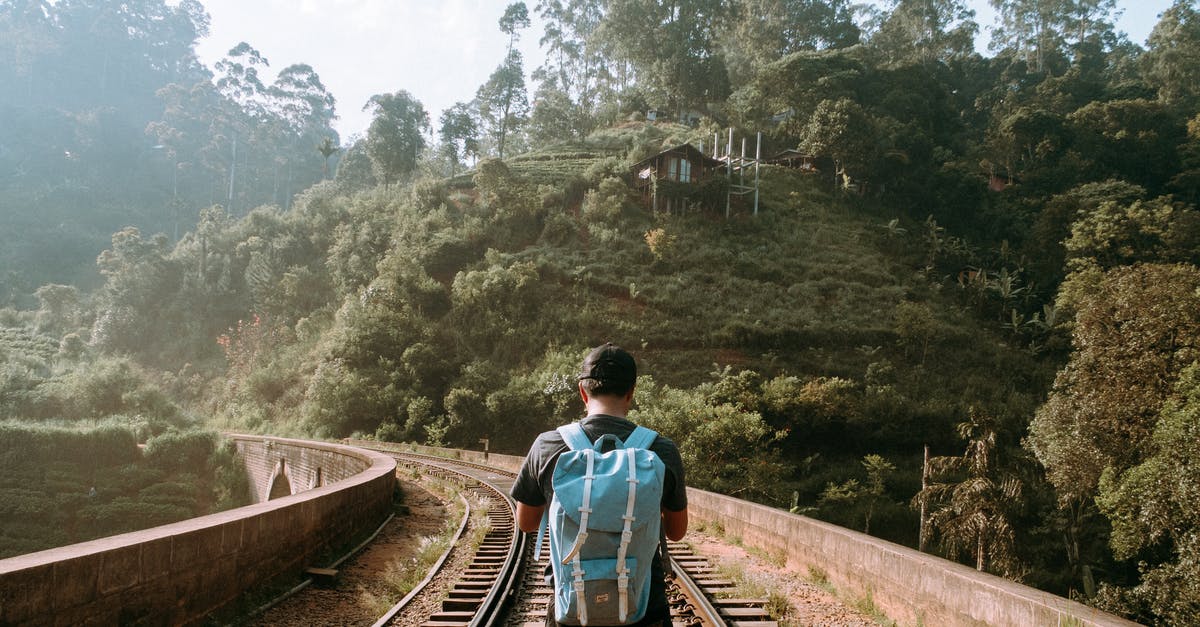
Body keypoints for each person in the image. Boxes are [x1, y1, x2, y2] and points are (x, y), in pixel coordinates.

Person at [510, 342, 688, 627]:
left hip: (573, 605)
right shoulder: (660, 450)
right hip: (642, 608)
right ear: (631, 392)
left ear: (583, 392)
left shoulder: (549, 445)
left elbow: (526, 523)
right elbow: (676, 532)